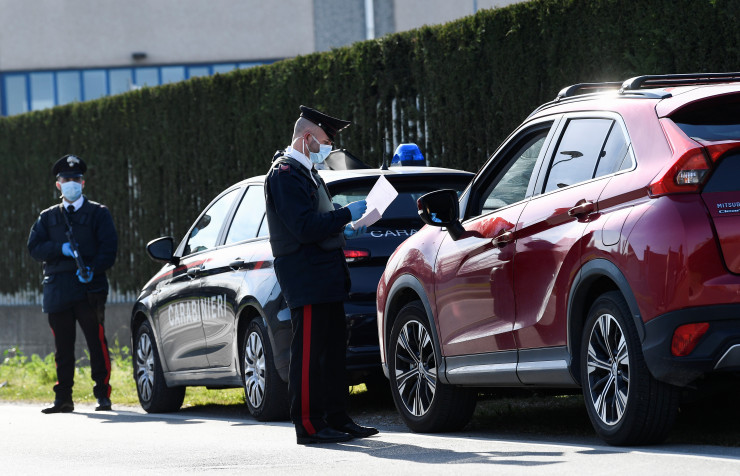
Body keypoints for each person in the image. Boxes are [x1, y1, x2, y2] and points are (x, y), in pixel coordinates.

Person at [264, 106, 379, 445]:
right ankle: (309, 425)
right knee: (309, 353)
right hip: (306, 275)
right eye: (326, 141)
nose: (329, 148)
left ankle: (337, 417)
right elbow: (303, 227)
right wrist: (345, 215)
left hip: (325, 273)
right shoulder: (285, 174)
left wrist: (347, 228)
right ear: (307, 138)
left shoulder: (307, 172)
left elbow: (319, 221)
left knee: (332, 351)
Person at [27, 154, 118, 414]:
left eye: (75, 179)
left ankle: (103, 395)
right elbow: (34, 248)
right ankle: (63, 398)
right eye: (66, 180)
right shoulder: (47, 217)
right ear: (58, 185)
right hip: (58, 288)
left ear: (83, 182)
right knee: (63, 348)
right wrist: (60, 248)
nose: (71, 183)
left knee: (96, 343)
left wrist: (92, 269)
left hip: (89, 287)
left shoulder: (98, 213)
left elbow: (109, 249)